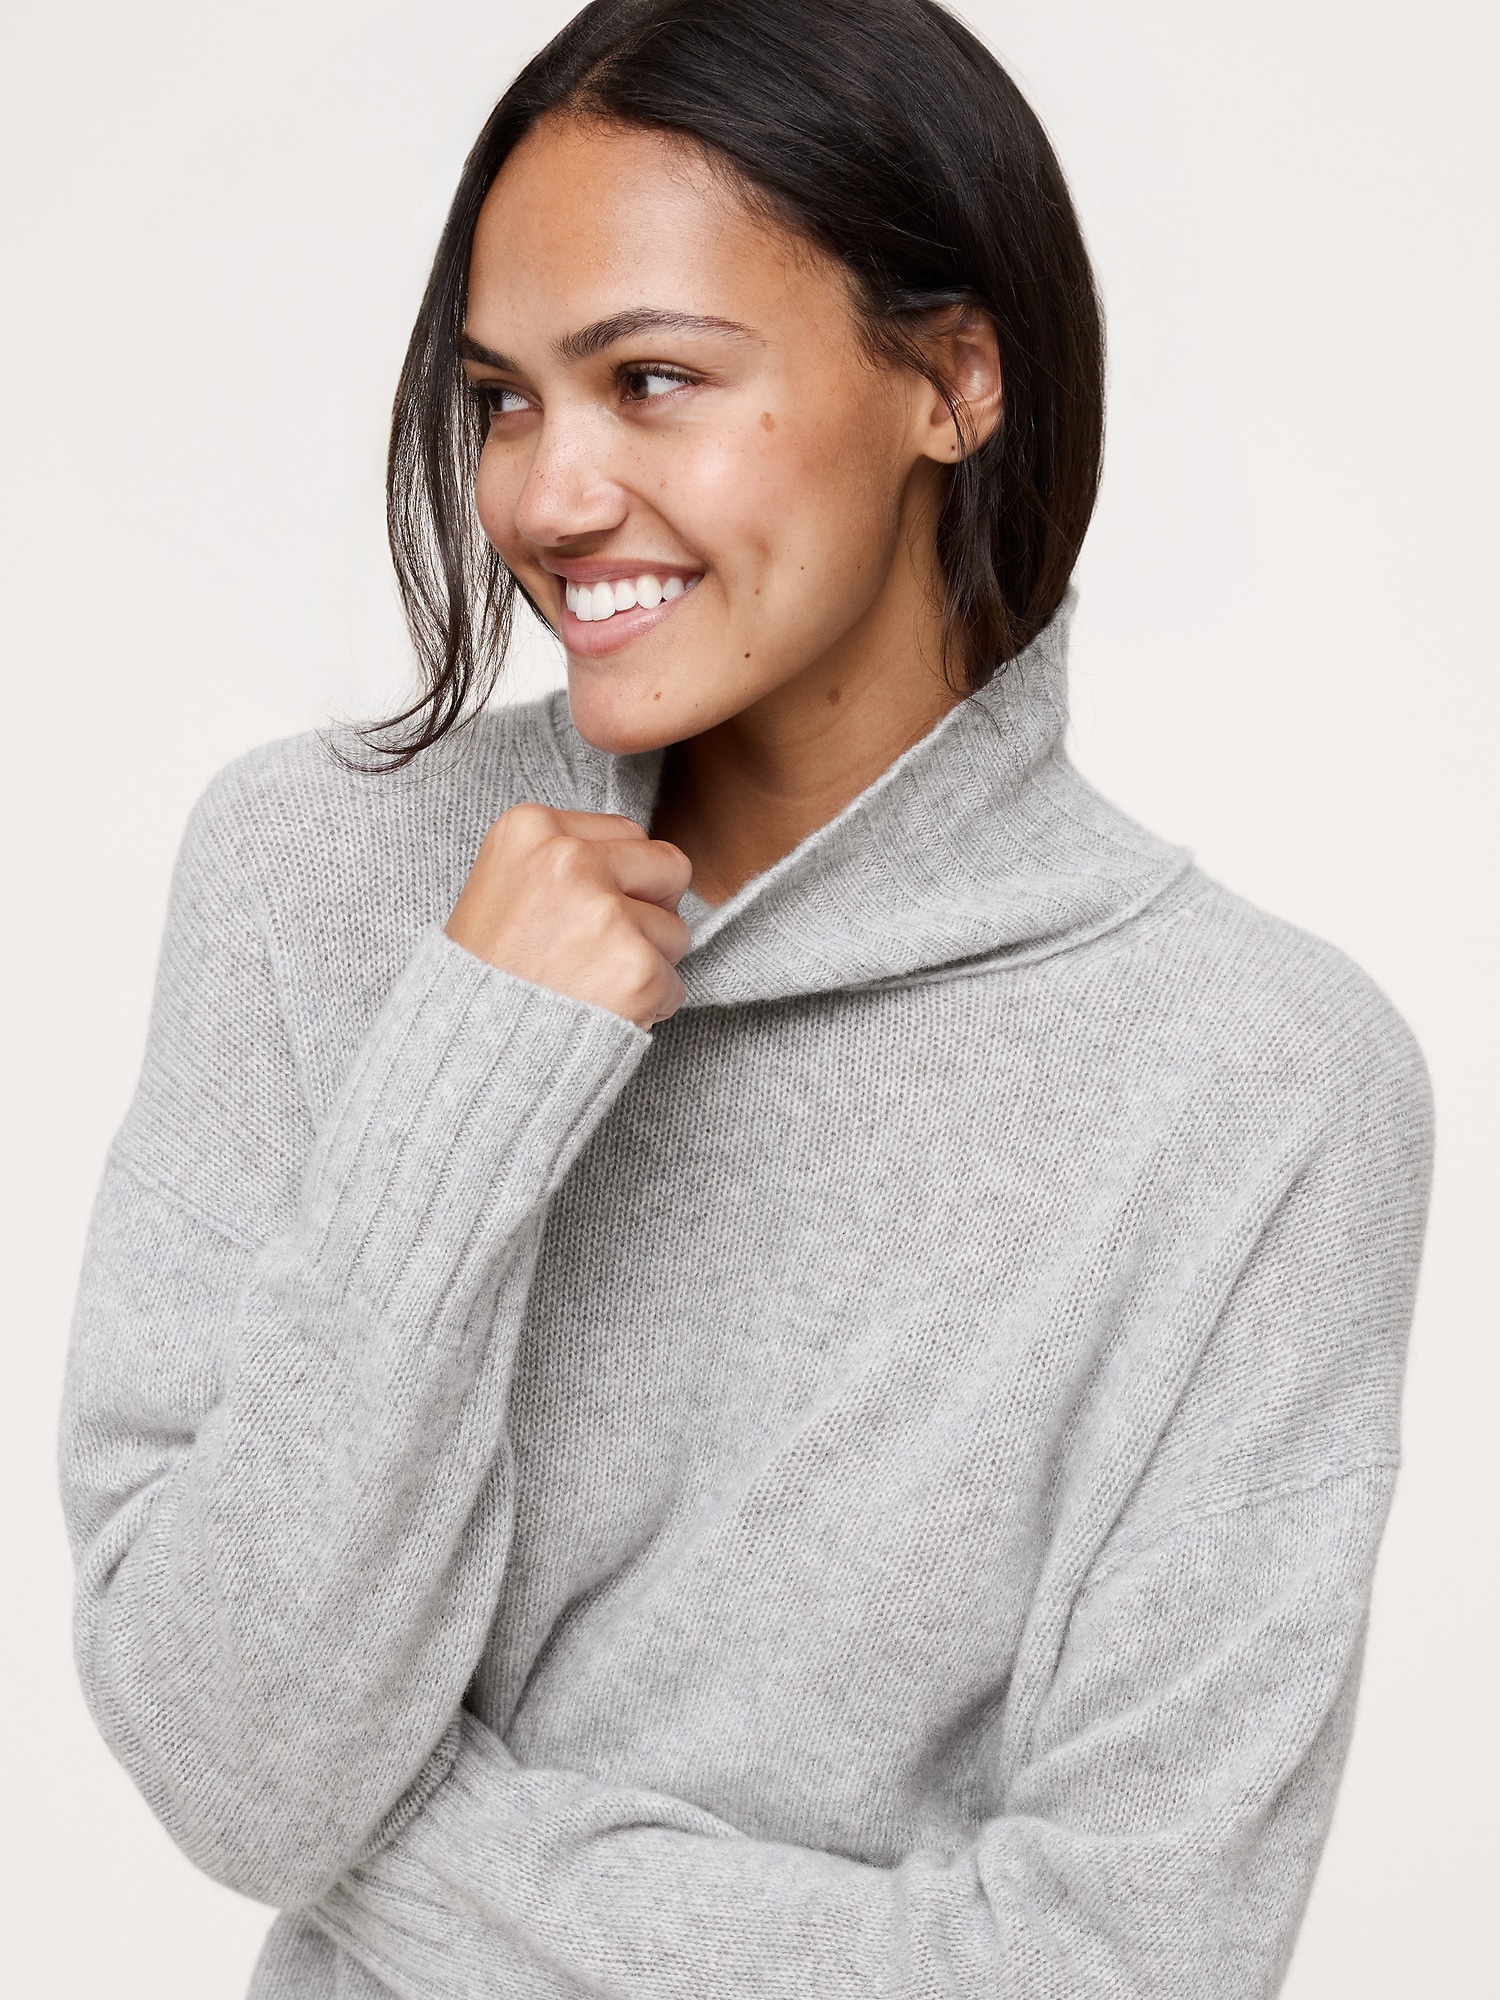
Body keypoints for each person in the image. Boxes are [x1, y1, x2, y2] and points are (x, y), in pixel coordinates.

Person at [58, 2, 1433, 1995]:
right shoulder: (319, 876)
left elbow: (1125, 1964)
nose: (546, 497)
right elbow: (233, 1765)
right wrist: (472, 1079)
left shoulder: (1266, 1084)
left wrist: (401, 1831)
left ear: (951, 379)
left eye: (652, 379)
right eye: (504, 398)